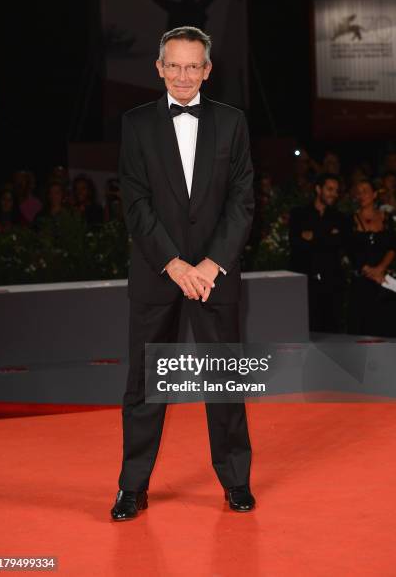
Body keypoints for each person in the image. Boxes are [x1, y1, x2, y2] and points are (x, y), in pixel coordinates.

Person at [111, 26, 255, 521]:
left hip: (216, 275)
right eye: (173, 65)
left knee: (224, 384)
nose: (183, 75)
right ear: (158, 68)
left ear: (208, 70)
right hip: (158, 274)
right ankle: (132, 486)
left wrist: (212, 264)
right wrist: (174, 264)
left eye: (193, 65)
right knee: (145, 386)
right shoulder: (135, 124)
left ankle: (236, 480)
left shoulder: (233, 123)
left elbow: (242, 202)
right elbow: (135, 202)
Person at [289, 173, 347, 333]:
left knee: (332, 332)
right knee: (306, 329)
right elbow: (296, 243)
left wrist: (313, 235)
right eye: (330, 189)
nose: (334, 194)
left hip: (331, 283)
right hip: (305, 282)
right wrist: (328, 234)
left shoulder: (340, 217)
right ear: (318, 189)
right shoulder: (299, 214)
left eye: (336, 190)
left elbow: (339, 243)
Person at [346, 179, 396, 337]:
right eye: (358, 191)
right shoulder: (350, 220)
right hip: (362, 279)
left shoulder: (387, 218)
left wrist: (380, 269)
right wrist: (369, 271)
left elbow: (393, 246)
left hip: (384, 279)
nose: (361, 195)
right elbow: (349, 249)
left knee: (386, 324)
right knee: (362, 327)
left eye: (365, 191)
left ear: (374, 194)